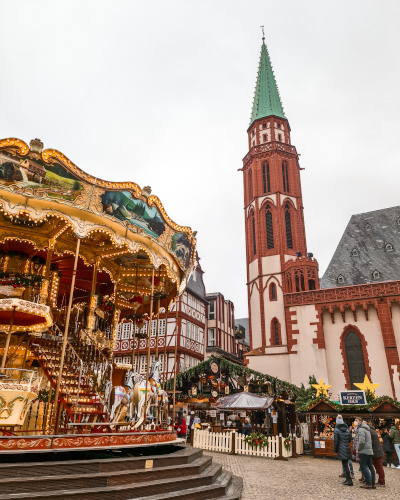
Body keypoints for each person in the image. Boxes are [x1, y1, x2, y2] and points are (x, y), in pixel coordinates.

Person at [334, 414, 353, 486]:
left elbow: (336, 441)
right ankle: (348, 479)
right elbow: (350, 439)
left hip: (341, 448)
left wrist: (335, 450)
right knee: (346, 464)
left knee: (345, 465)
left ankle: (349, 480)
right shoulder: (347, 430)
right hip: (347, 447)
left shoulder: (336, 430)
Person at [356, 418, 376, 489]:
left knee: (363, 466)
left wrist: (358, 449)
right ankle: (373, 483)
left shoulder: (361, 430)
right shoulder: (368, 430)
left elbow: (361, 442)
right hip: (369, 451)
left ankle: (368, 482)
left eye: (356, 421)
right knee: (370, 466)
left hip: (364, 451)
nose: (355, 422)